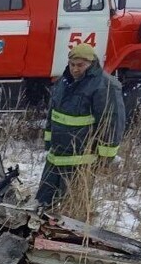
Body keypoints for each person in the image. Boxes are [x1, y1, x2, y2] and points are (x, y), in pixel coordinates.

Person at [35, 43, 125, 208]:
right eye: (72, 65)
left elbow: (111, 123)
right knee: (41, 205)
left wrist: (105, 158)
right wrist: (48, 142)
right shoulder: (64, 81)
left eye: (80, 65)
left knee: (73, 210)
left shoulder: (105, 86)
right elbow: (53, 114)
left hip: (81, 160)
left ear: (91, 64)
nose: (75, 69)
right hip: (55, 158)